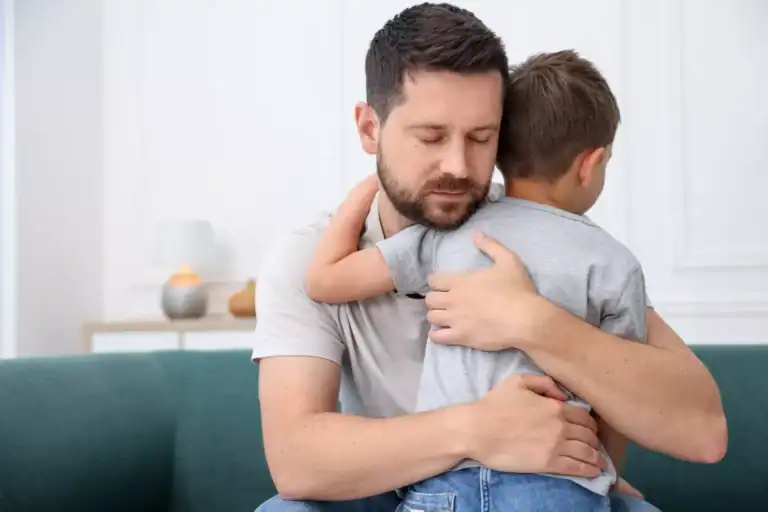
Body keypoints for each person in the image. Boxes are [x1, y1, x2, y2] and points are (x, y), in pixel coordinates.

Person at [252, 3, 727, 511]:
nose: (458, 166)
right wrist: (478, 429)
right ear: (370, 129)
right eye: (431, 137)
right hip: (391, 491)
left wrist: (532, 322)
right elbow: (296, 460)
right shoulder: (307, 254)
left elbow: (703, 432)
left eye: (482, 138)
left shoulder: (535, 237)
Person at [305, 49, 636, 511]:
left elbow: (326, 280)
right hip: (557, 489)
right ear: (591, 163)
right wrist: (608, 473)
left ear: (499, 150)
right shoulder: (615, 265)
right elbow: (619, 397)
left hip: (442, 486)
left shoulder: (453, 234)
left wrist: (364, 192)